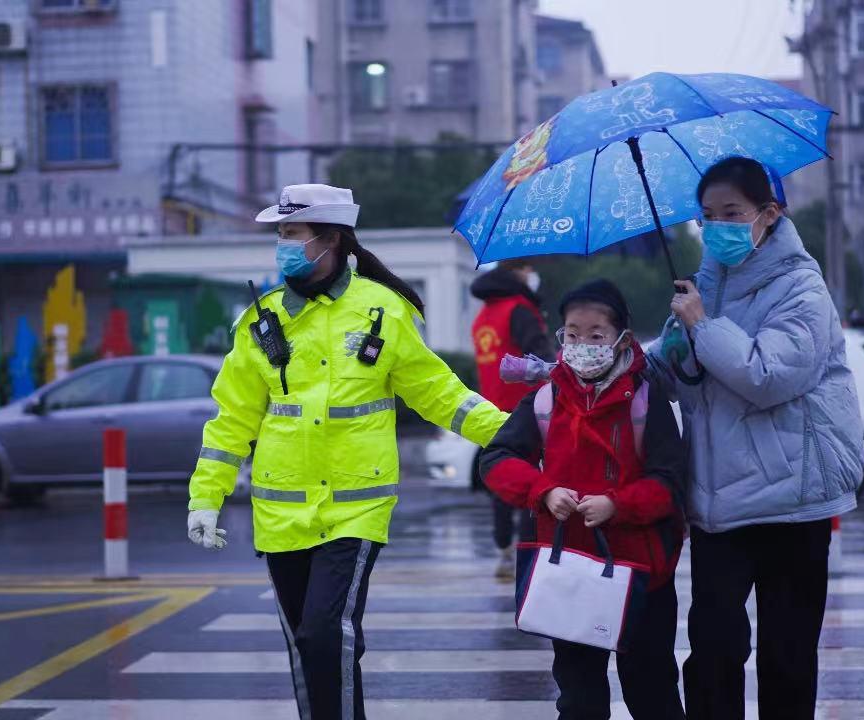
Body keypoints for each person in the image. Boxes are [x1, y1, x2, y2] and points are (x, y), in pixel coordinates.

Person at [186, 184, 509, 720]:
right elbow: (232, 419)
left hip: (354, 511)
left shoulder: (382, 311)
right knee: (311, 644)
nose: (283, 245)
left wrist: (509, 434)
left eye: (292, 233)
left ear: (330, 239)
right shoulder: (261, 322)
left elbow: (438, 394)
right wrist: (206, 497)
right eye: (281, 234)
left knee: (324, 633)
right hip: (281, 513)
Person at [649, 156, 864, 720]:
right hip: (719, 507)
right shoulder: (701, 289)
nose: (716, 226)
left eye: (731, 213)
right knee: (714, 653)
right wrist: (632, 357)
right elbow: (675, 381)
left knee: (787, 657)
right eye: (706, 216)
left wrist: (701, 326)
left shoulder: (802, 288)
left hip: (792, 502)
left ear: (768, 215)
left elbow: (770, 376)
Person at [481, 279, 688, 720]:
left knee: (653, 694)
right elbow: (496, 460)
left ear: (622, 340)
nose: (582, 345)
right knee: (578, 700)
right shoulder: (545, 399)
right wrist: (543, 491)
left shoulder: (647, 402)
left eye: (596, 335)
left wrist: (618, 504)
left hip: (642, 578)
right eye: (572, 334)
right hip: (570, 572)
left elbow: (669, 484)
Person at [469, 258, 554, 578]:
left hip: (490, 409)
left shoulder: (483, 316)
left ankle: (504, 552)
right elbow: (540, 355)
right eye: (528, 269)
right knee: (531, 484)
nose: (532, 275)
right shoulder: (519, 309)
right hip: (525, 409)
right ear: (516, 272)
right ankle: (528, 555)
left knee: (501, 483)